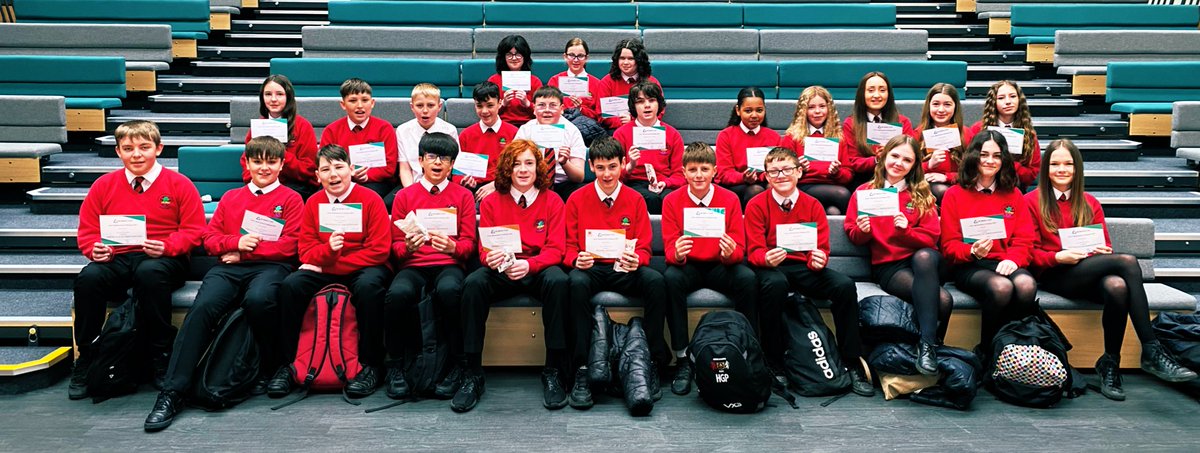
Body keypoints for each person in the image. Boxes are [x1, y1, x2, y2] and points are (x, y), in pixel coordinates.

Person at [144, 136, 303, 431]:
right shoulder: (231, 197)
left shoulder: (292, 199)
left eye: (271, 162)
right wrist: (235, 241)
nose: (264, 168)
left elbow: (291, 246)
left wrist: (243, 251)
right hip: (227, 269)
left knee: (259, 300)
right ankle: (172, 392)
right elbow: (209, 240)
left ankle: (270, 367)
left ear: (281, 164)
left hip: (270, 268)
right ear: (247, 163)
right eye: (258, 161)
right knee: (202, 308)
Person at [1026, 139, 1197, 400]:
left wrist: (1098, 252)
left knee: (1116, 286)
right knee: (1127, 261)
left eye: (1068, 164)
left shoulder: (1089, 202)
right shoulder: (1031, 201)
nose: (1062, 169)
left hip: (1085, 271)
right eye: (1055, 163)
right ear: (1046, 168)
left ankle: (1110, 363)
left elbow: (1104, 245)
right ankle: (1151, 349)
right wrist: (1059, 256)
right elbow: (1030, 254)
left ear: (1077, 168)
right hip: (1054, 274)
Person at [70, 120, 206, 401]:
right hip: (117, 257)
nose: (137, 154)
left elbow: (194, 231)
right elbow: (87, 231)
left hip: (164, 258)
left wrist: (168, 246)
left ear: (158, 148)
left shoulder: (179, 184)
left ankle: (160, 354)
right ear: (119, 152)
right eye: (128, 148)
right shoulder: (103, 185)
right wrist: (93, 249)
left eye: (144, 147)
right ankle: (88, 356)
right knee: (89, 278)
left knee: (149, 273)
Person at [266, 144, 391, 399]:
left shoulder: (371, 199)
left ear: (351, 169)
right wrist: (328, 252)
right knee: (292, 285)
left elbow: (379, 251)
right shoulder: (313, 202)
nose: (333, 175)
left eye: (339, 167)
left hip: (363, 266)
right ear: (317, 175)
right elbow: (306, 252)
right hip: (326, 265)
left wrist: (329, 263)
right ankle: (290, 364)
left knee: (370, 288)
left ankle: (370, 366)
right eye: (326, 169)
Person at [747, 147, 872, 396]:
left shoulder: (813, 205)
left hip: (804, 267)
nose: (781, 175)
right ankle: (774, 361)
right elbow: (753, 252)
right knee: (775, 285)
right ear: (767, 177)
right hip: (772, 267)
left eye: (787, 169)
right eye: (774, 171)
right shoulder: (756, 205)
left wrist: (820, 259)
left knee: (844, 286)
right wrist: (765, 257)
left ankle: (851, 360)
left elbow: (822, 248)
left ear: (799, 172)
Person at [457, 139, 570, 412]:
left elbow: (556, 249)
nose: (522, 170)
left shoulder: (553, 200)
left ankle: (553, 370)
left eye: (529, 163)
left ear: (538, 167)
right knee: (473, 283)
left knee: (559, 281)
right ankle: (472, 372)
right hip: (503, 270)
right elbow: (485, 248)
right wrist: (491, 259)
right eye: (516, 164)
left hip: (537, 268)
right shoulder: (493, 200)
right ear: (507, 168)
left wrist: (530, 266)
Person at [563, 137, 667, 410]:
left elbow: (644, 245)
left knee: (656, 281)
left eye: (612, 166)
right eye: (600, 168)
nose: (607, 174)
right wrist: (576, 258)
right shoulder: (576, 198)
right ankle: (582, 367)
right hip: (592, 268)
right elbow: (568, 248)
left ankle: (653, 361)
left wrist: (639, 259)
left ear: (623, 164)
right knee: (573, 282)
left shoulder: (635, 198)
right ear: (590, 167)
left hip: (624, 267)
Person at [844, 135, 952, 375]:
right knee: (943, 300)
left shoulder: (921, 194)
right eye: (895, 156)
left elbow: (931, 238)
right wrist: (863, 232)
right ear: (883, 156)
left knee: (924, 256)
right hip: (890, 265)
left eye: (907, 160)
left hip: (924, 260)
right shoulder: (864, 192)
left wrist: (906, 231)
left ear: (914, 166)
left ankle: (926, 347)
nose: (898, 163)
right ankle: (931, 348)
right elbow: (853, 233)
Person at [383, 132, 477, 402]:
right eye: (432, 157)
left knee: (450, 290)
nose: (437, 163)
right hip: (414, 264)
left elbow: (469, 244)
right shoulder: (404, 196)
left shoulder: (463, 196)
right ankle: (397, 366)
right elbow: (395, 248)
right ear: (420, 160)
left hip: (448, 263)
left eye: (444, 158)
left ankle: (458, 364)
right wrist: (408, 248)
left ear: (451, 165)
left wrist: (452, 248)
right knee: (397, 295)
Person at [660, 142, 755, 396]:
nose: (699, 175)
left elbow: (739, 249)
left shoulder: (730, 198)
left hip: (719, 265)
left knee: (748, 278)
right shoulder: (671, 201)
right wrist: (677, 254)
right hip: (688, 265)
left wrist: (729, 253)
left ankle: (747, 350)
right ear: (683, 172)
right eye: (692, 170)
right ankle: (682, 357)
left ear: (714, 170)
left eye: (704, 169)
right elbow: (670, 249)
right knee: (670, 277)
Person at [939, 130, 1038, 350]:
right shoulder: (954, 194)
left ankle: (1015, 349)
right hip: (969, 264)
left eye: (996, 155)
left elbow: (1025, 239)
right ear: (974, 156)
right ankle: (988, 351)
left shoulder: (1014, 194)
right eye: (984, 154)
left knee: (1026, 284)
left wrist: (1014, 259)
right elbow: (949, 246)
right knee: (1001, 287)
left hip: (1004, 262)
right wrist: (972, 251)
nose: (990, 161)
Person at [318, 78, 400, 203]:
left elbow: (389, 168)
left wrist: (367, 176)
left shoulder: (384, 128)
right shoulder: (331, 130)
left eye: (365, 100)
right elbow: (324, 163)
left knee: (366, 197)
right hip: (340, 180)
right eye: (352, 101)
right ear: (343, 104)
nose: (360, 106)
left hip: (376, 182)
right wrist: (348, 175)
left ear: (372, 103)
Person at [611, 81, 684, 214]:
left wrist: (666, 183)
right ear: (633, 106)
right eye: (640, 102)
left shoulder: (672, 134)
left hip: (664, 183)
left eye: (651, 100)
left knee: (670, 199)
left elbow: (680, 174)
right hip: (633, 182)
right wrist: (630, 165)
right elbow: (612, 174)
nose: (647, 106)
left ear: (659, 104)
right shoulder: (621, 134)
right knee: (649, 199)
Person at [779, 85, 853, 214]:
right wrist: (798, 169)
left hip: (832, 185)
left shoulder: (838, 137)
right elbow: (781, 172)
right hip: (802, 186)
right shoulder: (792, 137)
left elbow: (848, 175)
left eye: (822, 106)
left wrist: (837, 172)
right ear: (803, 111)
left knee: (833, 212)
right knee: (843, 194)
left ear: (829, 109)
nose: (817, 111)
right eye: (811, 107)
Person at [243, 74, 319, 199]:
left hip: (295, 188)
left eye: (279, 94)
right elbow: (246, 163)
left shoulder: (303, 126)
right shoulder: (258, 127)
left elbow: (309, 170)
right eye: (268, 94)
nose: (273, 99)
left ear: (288, 97)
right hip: (261, 186)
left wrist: (280, 154)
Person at [839, 72, 916, 187]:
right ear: (862, 94)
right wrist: (876, 159)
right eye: (870, 90)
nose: (876, 95)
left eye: (882, 90)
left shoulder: (902, 122)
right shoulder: (851, 123)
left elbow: (912, 155)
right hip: (864, 179)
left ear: (888, 94)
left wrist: (892, 154)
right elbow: (851, 162)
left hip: (899, 179)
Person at [513, 86, 587, 202]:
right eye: (541, 105)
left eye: (553, 105)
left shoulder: (572, 131)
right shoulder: (526, 130)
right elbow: (513, 165)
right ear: (534, 108)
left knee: (582, 194)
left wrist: (565, 162)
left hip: (563, 184)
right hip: (532, 182)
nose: (547, 110)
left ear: (562, 108)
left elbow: (579, 177)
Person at [964, 80, 1041, 190]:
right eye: (1001, 98)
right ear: (993, 102)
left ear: (1019, 100)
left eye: (1013, 96)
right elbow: (968, 164)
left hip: (1014, 187)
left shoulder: (1029, 134)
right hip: (980, 187)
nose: (1008, 101)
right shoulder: (978, 129)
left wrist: (1009, 163)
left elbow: (1031, 173)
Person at [715, 87, 781, 206]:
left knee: (775, 188)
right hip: (736, 185)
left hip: (765, 181)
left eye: (759, 110)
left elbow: (778, 168)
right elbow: (724, 174)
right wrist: (743, 177)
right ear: (738, 110)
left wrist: (764, 176)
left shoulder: (774, 136)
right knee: (756, 191)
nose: (754, 115)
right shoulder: (726, 135)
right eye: (748, 111)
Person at [455, 81, 518, 203]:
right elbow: (458, 173)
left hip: (504, 186)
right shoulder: (466, 135)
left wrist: (496, 184)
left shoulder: (514, 133)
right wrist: (464, 181)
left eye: (490, 105)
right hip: (473, 190)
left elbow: (517, 168)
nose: (484, 111)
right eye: (479, 106)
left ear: (500, 103)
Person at [395, 83, 459, 189]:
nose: (425, 111)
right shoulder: (402, 130)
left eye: (430, 105)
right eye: (419, 105)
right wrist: (412, 192)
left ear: (439, 106)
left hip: (442, 185)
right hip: (413, 184)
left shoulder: (449, 130)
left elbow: (452, 166)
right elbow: (405, 168)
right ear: (412, 107)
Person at [547, 37, 606, 144]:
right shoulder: (555, 80)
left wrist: (581, 109)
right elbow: (549, 109)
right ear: (565, 56)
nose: (575, 60)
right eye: (571, 55)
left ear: (586, 58)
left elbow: (599, 116)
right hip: (560, 129)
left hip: (587, 132)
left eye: (580, 56)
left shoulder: (597, 83)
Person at [595, 38, 661, 131]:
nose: (625, 62)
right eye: (622, 58)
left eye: (630, 58)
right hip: (615, 131)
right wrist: (621, 122)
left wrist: (633, 120)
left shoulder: (651, 82)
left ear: (639, 60)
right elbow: (601, 114)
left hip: (646, 130)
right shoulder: (607, 82)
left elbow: (659, 111)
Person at [915, 83, 967, 202]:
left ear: (955, 107)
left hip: (959, 185)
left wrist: (947, 177)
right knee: (939, 190)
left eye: (947, 104)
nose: (941, 110)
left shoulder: (966, 134)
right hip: (926, 188)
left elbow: (974, 171)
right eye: (936, 104)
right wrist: (929, 165)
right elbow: (907, 170)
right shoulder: (917, 134)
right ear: (928, 106)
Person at [488, 34, 542, 126]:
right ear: (503, 57)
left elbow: (543, 111)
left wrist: (527, 104)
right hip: (502, 125)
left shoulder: (535, 81)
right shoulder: (493, 80)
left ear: (525, 56)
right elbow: (487, 112)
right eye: (509, 54)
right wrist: (503, 104)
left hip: (529, 125)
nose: (514, 58)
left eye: (518, 54)